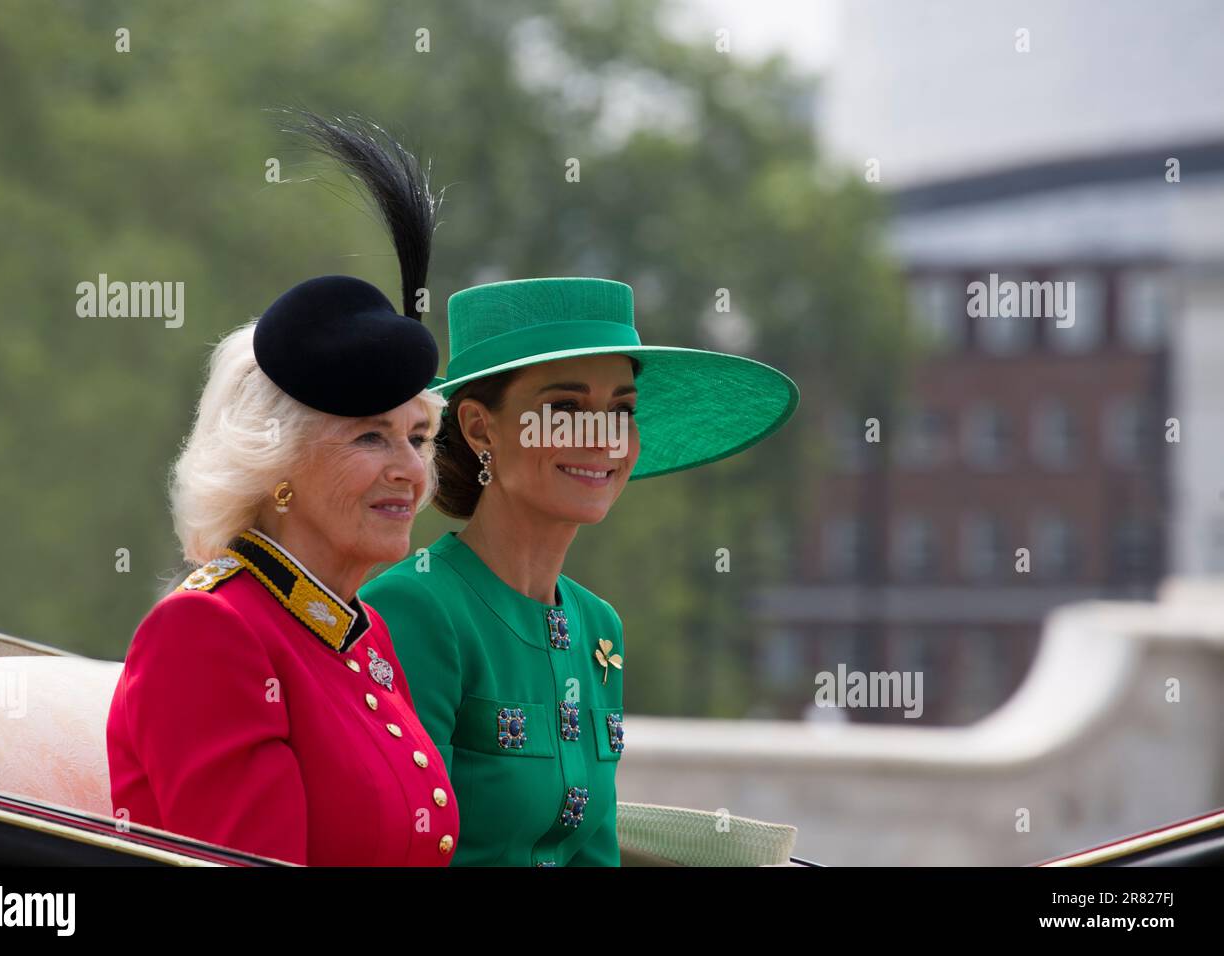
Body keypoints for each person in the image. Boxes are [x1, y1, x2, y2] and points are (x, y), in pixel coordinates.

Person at [107, 112, 458, 865]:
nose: (410, 468)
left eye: (418, 438)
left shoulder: (357, 633)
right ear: (278, 468)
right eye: (371, 435)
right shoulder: (208, 634)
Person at [360, 275, 800, 865]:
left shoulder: (599, 627)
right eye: (564, 408)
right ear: (478, 427)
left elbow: (594, 853)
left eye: (622, 410)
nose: (601, 437)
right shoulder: (415, 607)